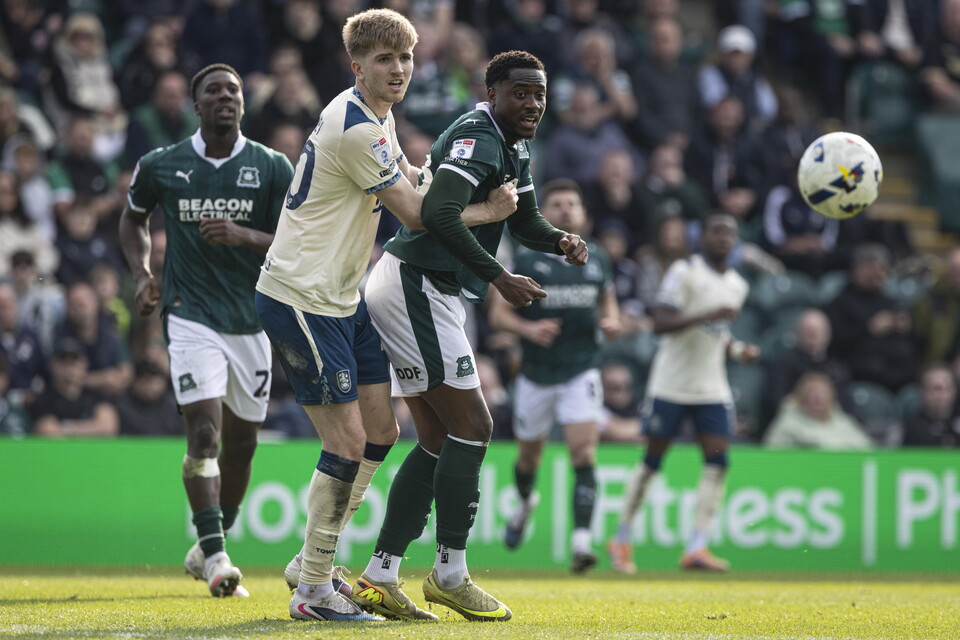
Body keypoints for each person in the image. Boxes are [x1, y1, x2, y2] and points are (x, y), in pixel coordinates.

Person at [254, 10, 516, 623]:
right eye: (384, 60)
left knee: (381, 434)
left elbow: (411, 180)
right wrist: (486, 207)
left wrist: (438, 182)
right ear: (357, 67)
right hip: (301, 295)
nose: (398, 69)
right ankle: (314, 591)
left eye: (405, 58)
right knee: (345, 442)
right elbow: (417, 214)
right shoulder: (355, 126)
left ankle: (310, 561)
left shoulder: (377, 116)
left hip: (343, 298)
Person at [353, 49, 588, 622]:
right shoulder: (478, 135)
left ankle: (381, 574)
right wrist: (498, 276)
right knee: (475, 426)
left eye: (540, 92)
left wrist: (559, 239)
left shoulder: (514, 143)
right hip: (416, 284)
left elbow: (522, 218)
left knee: (438, 440)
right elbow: (438, 213)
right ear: (493, 90)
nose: (533, 103)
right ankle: (450, 573)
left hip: (431, 289)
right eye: (521, 93)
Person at [119, 63, 295, 598]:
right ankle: (218, 558)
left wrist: (243, 235)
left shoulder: (271, 166)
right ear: (196, 106)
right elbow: (133, 219)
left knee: (242, 445)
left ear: (243, 103)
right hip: (189, 314)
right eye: (213, 91)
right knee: (204, 433)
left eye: (234, 90)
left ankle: (208, 542)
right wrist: (144, 274)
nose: (225, 97)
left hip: (252, 319)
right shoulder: (162, 164)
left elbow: (300, 240)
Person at [607, 213, 759, 575]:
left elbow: (715, 334)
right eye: (716, 231)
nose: (724, 238)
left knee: (718, 462)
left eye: (730, 233)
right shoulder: (683, 272)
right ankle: (622, 537)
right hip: (671, 384)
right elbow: (660, 324)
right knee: (652, 460)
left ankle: (697, 546)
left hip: (711, 386)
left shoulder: (738, 283)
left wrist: (738, 351)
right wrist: (706, 313)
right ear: (701, 236)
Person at [489, 178, 621, 573]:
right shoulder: (528, 259)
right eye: (558, 204)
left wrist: (611, 321)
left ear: (583, 213)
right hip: (535, 374)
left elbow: (608, 303)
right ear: (544, 214)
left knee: (584, 453)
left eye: (572, 203)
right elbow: (497, 315)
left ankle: (581, 542)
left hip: (581, 370)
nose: (566, 209)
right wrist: (530, 330)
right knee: (529, 459)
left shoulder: (597, 258)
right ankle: (527, 502)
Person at [763, 372, 873, 450]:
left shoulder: (843, 422)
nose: (817, 398)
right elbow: (772, 457)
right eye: (812, 393)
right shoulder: (787, 423)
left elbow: (867, 451)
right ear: (801, 398)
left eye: (822, 394)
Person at [901, 364, 960, 448]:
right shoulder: (909, 429)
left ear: (954, 391)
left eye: (944, 388)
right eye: (932, 388)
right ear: (921, 391)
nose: (939, 395)